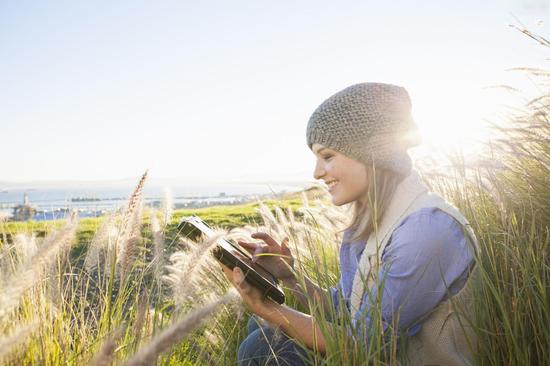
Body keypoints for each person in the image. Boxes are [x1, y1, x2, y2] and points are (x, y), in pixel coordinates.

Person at [221, 82, 479, 365]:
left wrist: (266, 306)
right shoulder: (372, 226)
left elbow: (362, 345)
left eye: (327, 156)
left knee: (264, 342)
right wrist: (289, 277)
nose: (318, 173)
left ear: (372, 153)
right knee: (261, 329)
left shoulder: (428, 230)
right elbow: (344, 309)